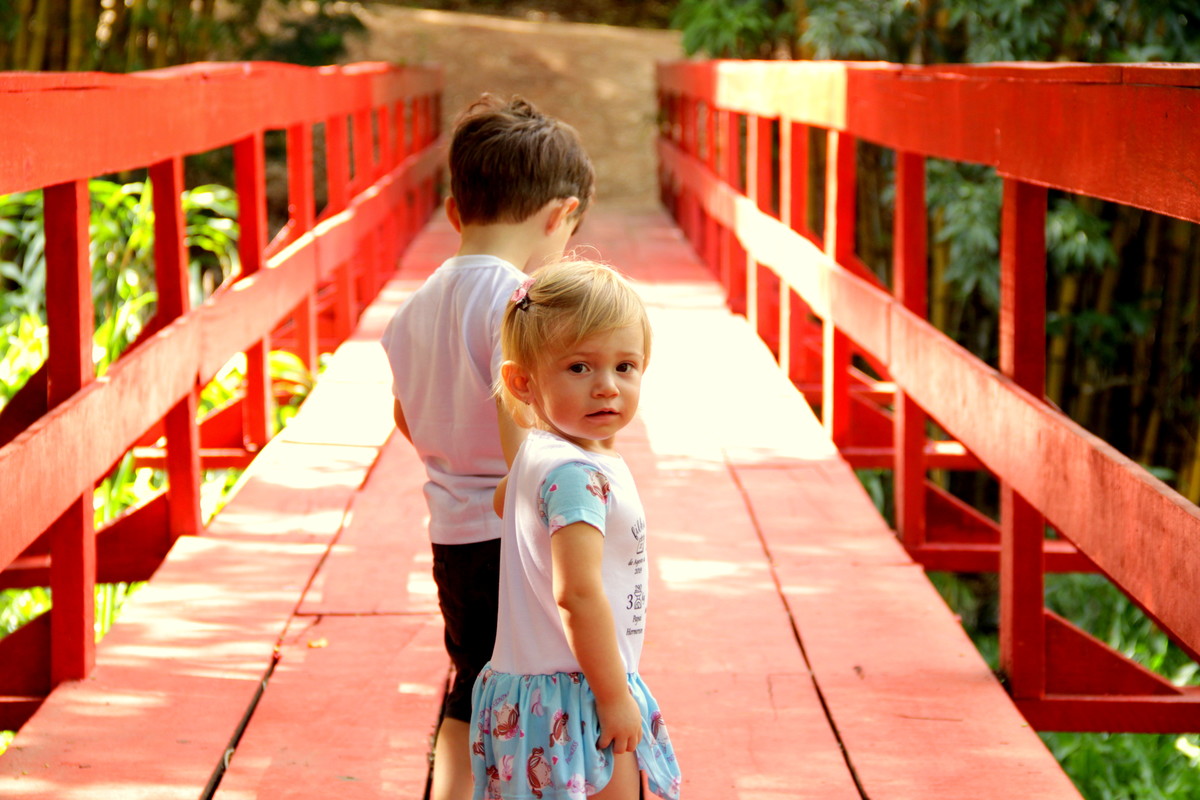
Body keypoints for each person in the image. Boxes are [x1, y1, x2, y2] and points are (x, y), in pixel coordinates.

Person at [380, 94, 595, 800]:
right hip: (511, 533)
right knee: (548, 677)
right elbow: (521, 420)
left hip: (451, 529)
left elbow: (405, 418)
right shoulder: (519, 298)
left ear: (453, 212)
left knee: (471, 676)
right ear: (560, 216)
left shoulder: (413, 309)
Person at [471, 260, 682, 800]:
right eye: (579, 368)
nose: (607, 387)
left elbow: (505, 502)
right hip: (576, 694)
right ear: (524, 381)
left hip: (524, 692)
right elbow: (578, 594)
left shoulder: (541, 453)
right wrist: (615, 696)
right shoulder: (576, 477)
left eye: (626, 367)